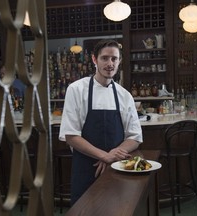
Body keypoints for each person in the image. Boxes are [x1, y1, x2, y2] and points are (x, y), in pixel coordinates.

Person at [59, 39, 143, 205]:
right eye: (104, 58)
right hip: (86, 168)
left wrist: (113, 155)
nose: (110, 63)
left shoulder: (125, 95)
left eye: (114, 59)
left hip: (117, 167)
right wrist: (104, 156)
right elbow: (70, 135)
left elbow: (135, 137)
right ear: (94, 59)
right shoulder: (76, 90)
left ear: (119, 61)